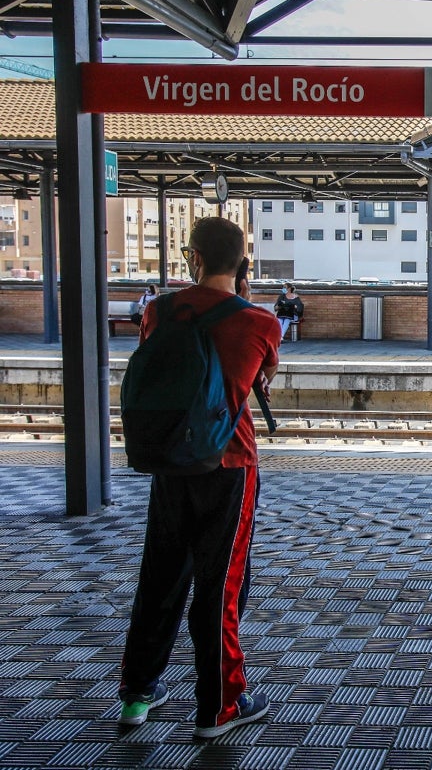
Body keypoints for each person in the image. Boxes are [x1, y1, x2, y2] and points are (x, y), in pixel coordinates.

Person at [118, 216, 281, 740]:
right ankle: (219, 707)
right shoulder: (259, 322)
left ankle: (137, 696)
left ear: (193, 257)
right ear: (243, 264)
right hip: (229, 466)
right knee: (221, 587)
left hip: (170, 463)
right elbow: (262, 377)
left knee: (161, 576)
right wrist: (243, 297)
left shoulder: (159, 310)